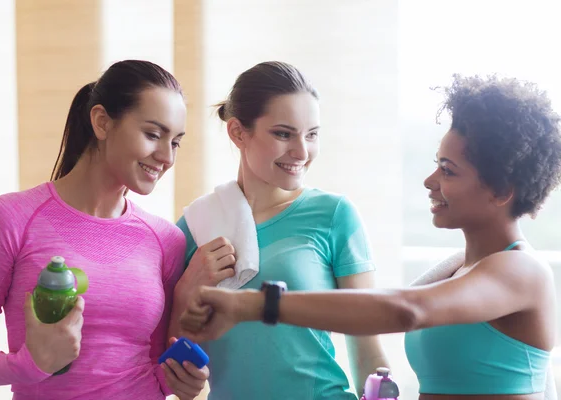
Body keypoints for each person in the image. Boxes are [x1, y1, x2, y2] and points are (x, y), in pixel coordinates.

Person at [180, 74, 561, 399]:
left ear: (500, 191)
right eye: (436, 165)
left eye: (448, 170)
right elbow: (375, 316)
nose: (429, 181)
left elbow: (403, 309)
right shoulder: (452, 270)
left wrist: (251, 306)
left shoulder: (522, 271)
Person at [0, 60, 207, 400]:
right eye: (153, 134)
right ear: (102, 122)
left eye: (176, 142)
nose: (166, 156)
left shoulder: (167, 240)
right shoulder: (10, 218)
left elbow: (153, 362)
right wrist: (27, 365)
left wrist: (180, 380)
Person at [170, 61, 388, 400]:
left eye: (312, 134)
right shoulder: (197, 226)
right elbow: (170, 345)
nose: (302, 152)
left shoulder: (334, 215)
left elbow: (366, 345)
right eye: (283, 134)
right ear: (238, 132)